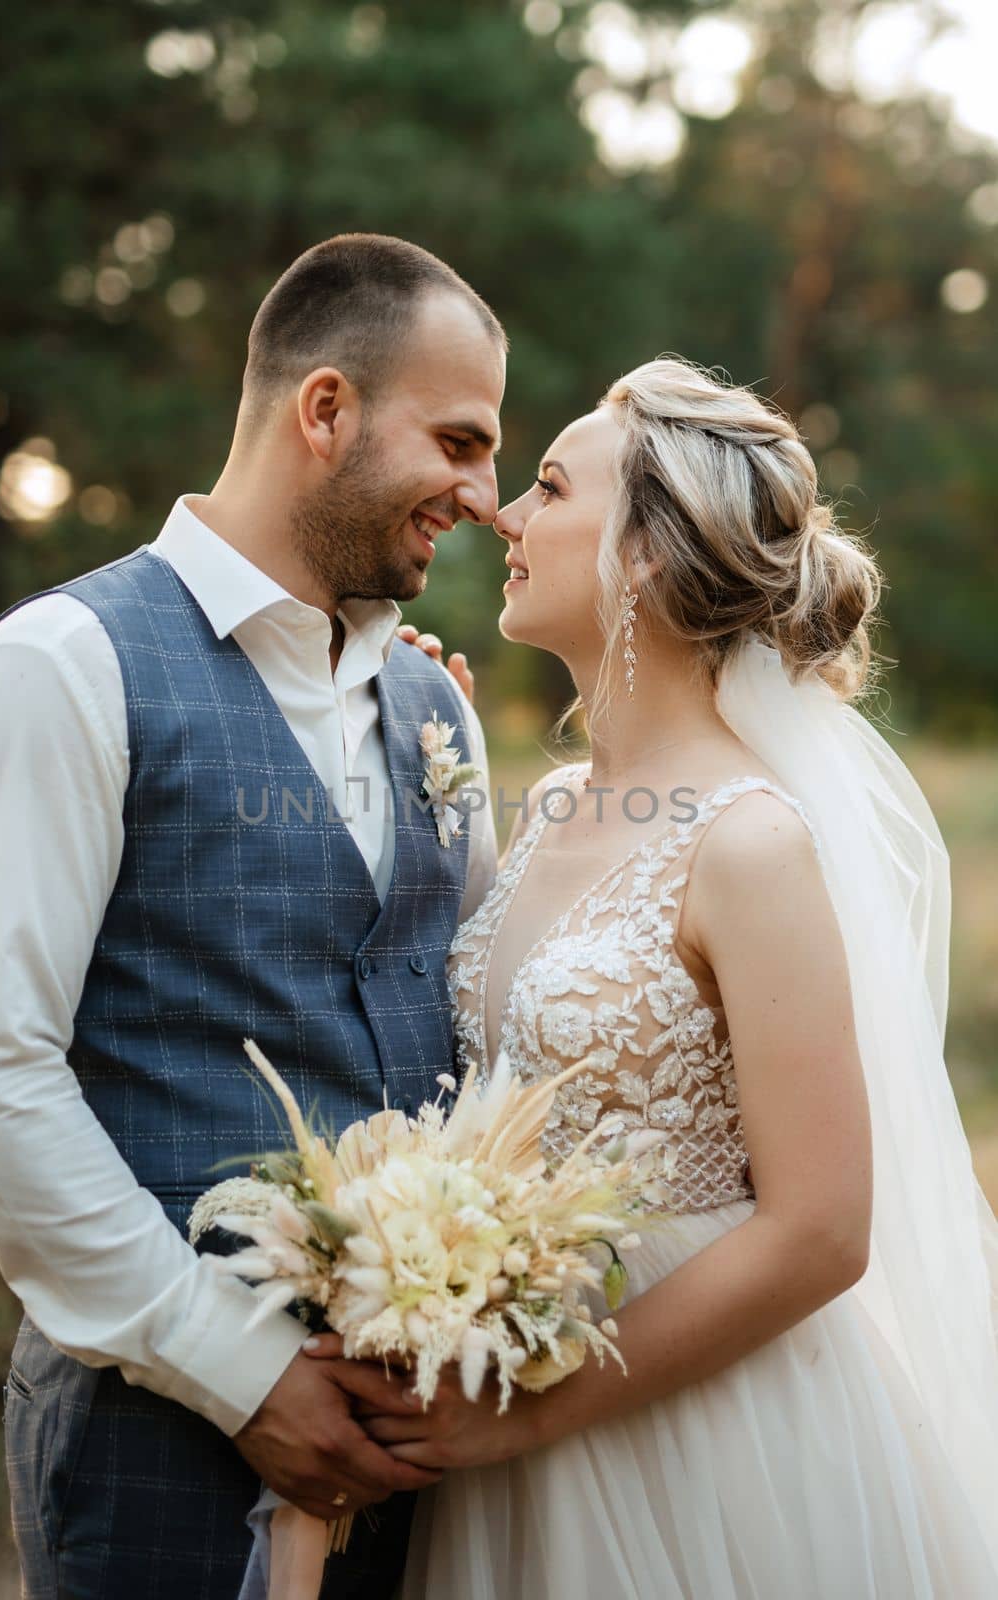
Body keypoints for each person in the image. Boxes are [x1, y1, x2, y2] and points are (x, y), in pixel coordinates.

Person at [316, 356, 998, 1597]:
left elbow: (823, 1229)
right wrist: (426, 763)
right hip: (515, 1417)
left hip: (704, 1438)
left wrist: (531, 1412)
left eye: (547, 487)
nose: (504, 516)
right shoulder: (552, 804)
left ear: (642, 553)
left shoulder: (750, 842)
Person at [0, 234, 507, 1600]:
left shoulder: (438, 706)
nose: (485, 497)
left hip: (426, 1439)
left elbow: (473, 1011)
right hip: (156, 1434)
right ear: (326, 411)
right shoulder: (60, 669)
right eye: (461, 441)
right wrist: (241, 1372)